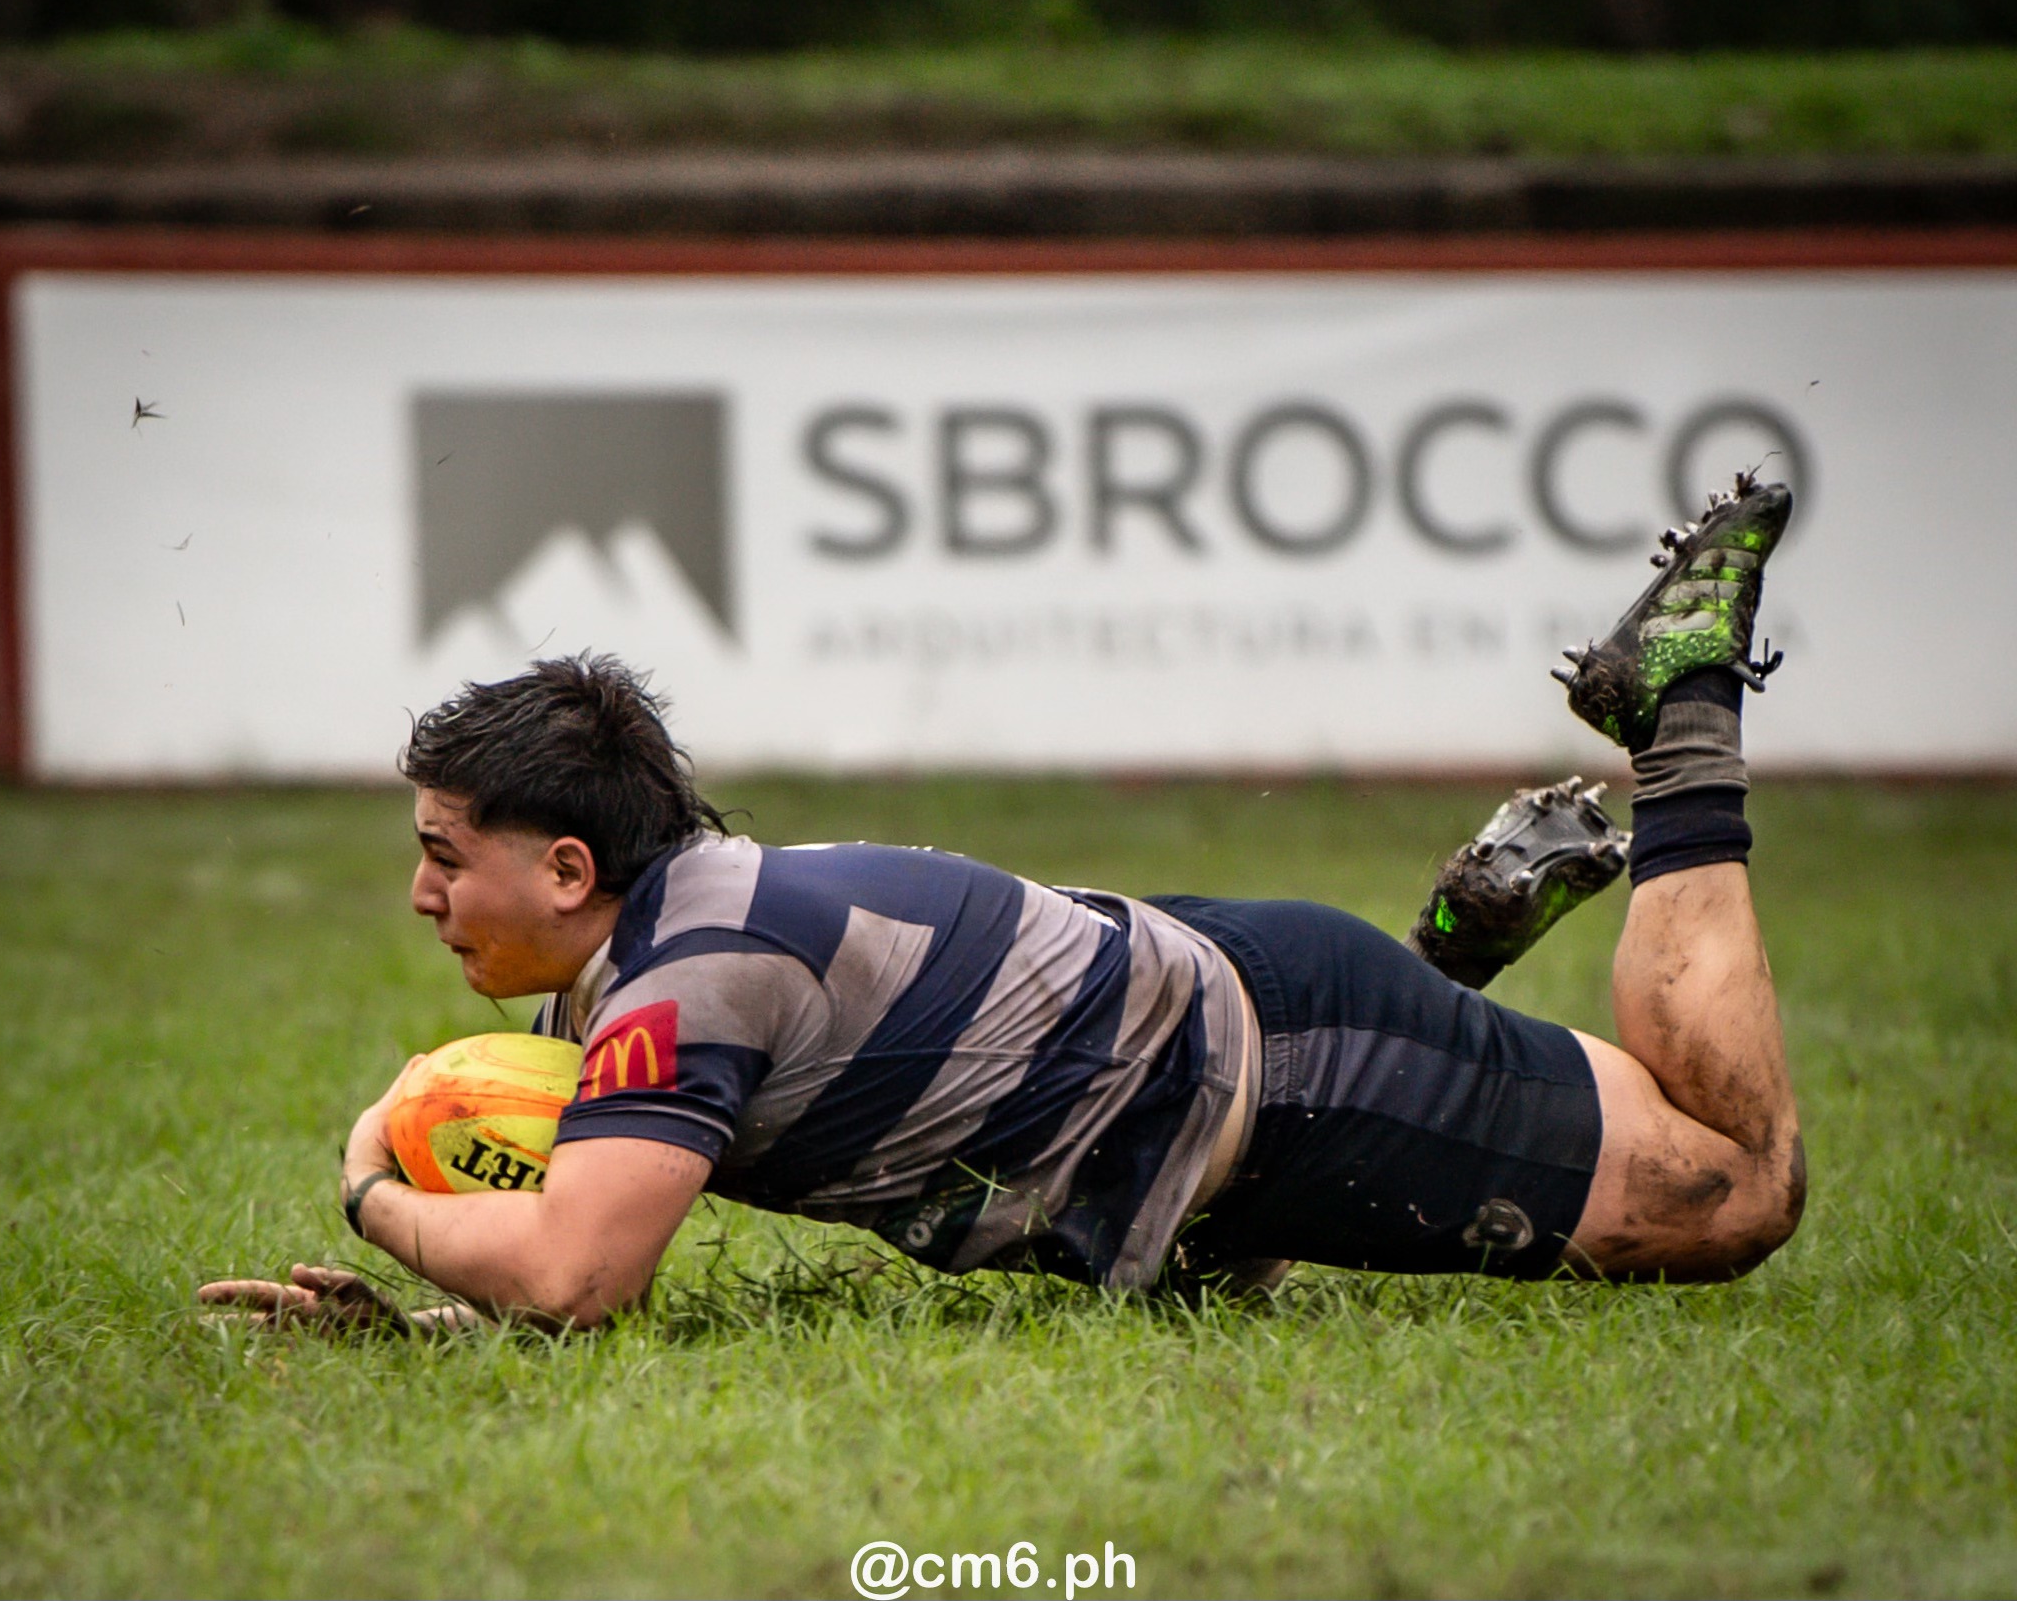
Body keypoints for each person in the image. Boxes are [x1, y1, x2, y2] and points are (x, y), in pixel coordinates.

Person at [201, 476, 1805, 1333]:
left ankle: (1680, 708)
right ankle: (1454, 951)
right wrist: (410, 1330)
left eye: (440, 852)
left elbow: (576, 1275)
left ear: (567, 868)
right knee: (1219, 1293)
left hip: (1285, 1069)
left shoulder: (684, 983)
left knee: (1738, 1191)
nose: (418, 893)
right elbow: (590, 1263)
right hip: (1178, 1097)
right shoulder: (625, 977)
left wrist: (372, 1201)